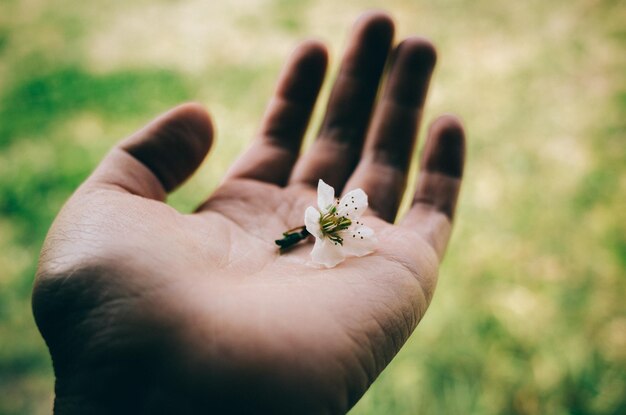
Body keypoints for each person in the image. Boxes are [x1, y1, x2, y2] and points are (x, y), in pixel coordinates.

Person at [32, 11, 465, 414]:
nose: (335, 223)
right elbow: (319, 227)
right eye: (331, 222)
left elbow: (328, 235)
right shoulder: (321, 222)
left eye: (335, 224)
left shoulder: (329, 232)